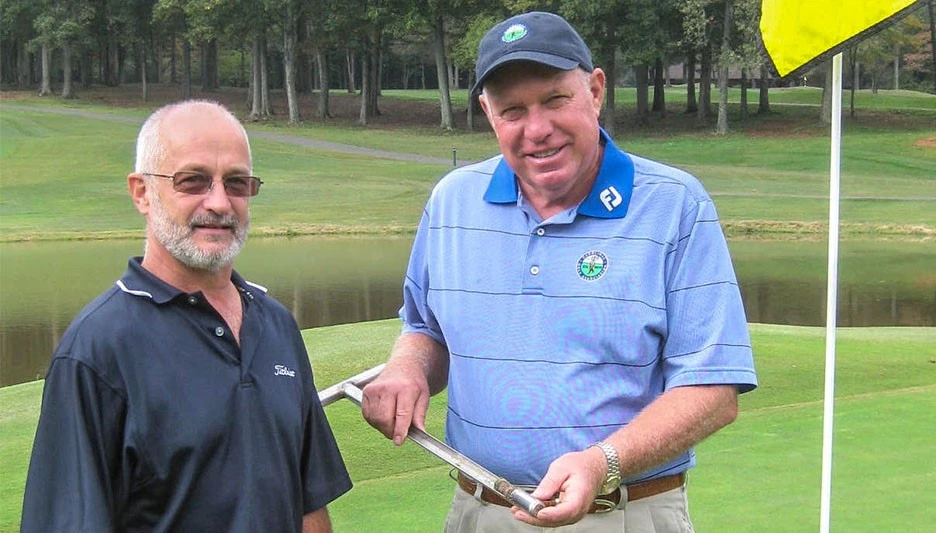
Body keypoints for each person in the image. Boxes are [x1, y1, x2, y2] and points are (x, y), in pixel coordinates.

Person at [361, 11, 757, 532]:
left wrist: (603, 464)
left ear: (594, 90)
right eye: (512, 111)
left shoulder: (675, 206)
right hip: (480, 512)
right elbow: (424, 329)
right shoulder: (452, 202)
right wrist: (408, 369)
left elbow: (713, 391)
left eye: (555, 100)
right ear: (487, 112)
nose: (537, 130)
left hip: (622, 513)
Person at [20, 100, 352, 533]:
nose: (219, 203)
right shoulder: (97, 349)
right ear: (142, 192)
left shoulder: (275, 326)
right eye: (192, 181)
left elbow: (308, 503)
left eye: (236, 183)